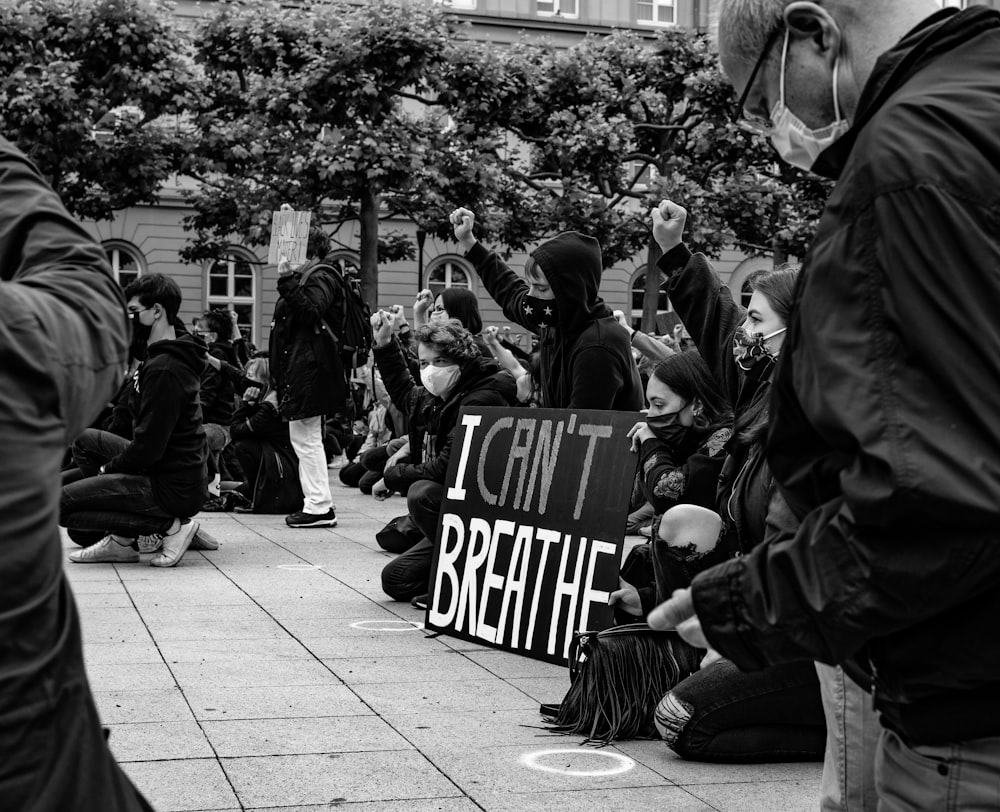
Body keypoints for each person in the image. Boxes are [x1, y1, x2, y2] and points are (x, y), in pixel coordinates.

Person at [651, 2, 1000, 806]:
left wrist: (746, 604)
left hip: (968, 682)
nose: (773, 134)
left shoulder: (909, 163)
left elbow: (934, 498)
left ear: (813, 33)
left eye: (758, 103)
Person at [0, 135, 153, 809]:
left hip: (166, 483)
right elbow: (86, 307)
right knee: (71, 486)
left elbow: (150, 448)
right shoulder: (19, 343)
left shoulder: (177, 368)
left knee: (72, 489)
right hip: (45, 778)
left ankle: (166, 524)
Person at [632, 242, 826, 763]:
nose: (744, 332)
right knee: (683, 525)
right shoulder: (768, 388)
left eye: (757, 320)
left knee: (680, 722)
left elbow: (804, 554)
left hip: (824, 634)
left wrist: (739, 626)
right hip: (772, 597)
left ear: (795, 331)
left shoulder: (817, 415)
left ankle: (848, 733)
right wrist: (674, 253)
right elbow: (720, 328)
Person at [61, 273, 206, 567]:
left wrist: (107, 471)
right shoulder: (155, 356)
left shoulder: (165, 369)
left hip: (171, 484)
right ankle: (122, 539)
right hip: (161, 468)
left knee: (59, 506)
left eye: (134, 311)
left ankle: (171, 529)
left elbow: (149, 448)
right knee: (84, 440)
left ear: (157, 312)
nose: (129, 317)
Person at [371, 314, 516, 603]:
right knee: (396, 581)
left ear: (460, 361)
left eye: (437, 362)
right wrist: (385, 343)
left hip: (483, 513)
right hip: (457, 511)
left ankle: (463, 580)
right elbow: (403, 392)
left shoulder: (481, 397)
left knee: (421, 493)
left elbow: (445, 467)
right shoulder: (440, 394)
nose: (429, 371)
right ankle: (446, 574)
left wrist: (393, 475)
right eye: (424, 364)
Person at [450, 207, 643, 411]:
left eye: (541, 288)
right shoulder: (558, 318)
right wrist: (469, 242)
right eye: (530, 284)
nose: (530, 295)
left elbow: (579, 429)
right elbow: (510, 291)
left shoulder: (598, 345)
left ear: (570, 291)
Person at [609, 352, 733, 623]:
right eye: (648, 405)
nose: (650, 415)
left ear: (697, 404)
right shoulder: (693, 436)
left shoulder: (724, 438)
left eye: (658, 405)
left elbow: (668, 492)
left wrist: (654, 444)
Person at [269, 225, 345, 528]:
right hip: (305, 368)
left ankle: (319, 506)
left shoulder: (321, 276)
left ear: (308, 250)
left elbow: (311, 312)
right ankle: (316, 502)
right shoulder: (311, 277)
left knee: (307, 437)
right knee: (304, 436)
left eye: (292, 247)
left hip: (311, 369)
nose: (286, 254)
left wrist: (287, 280)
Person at [414, 286, 490, 356]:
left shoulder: (473, 349)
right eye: (434, 310)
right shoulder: (462, 343)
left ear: (458, 313)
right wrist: (419, 312)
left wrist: (419, 313)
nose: (433, 315)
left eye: (440, 309)